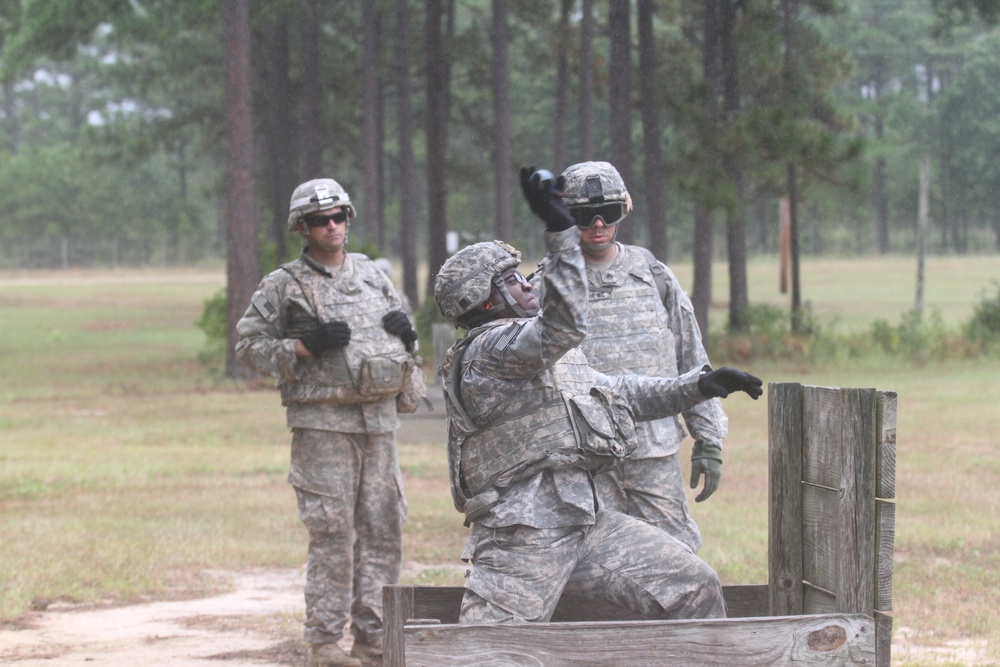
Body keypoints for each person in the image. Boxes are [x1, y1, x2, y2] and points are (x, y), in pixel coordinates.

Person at [433, 168, 763, 624]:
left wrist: (699, 386)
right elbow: (566, 325)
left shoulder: (540, 350)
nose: (527, 284)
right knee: (491, 649)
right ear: (483, 300)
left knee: (694, 585)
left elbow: (620, 392)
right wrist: (561, 233)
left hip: (586, 522)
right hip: (524, 535)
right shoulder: (487, 353)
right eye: (510, 280)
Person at [235, 178, 425, 667]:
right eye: (321, 220)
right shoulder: (284, 285)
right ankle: (323, 642)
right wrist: (303, 346)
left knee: (384, 529)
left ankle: (374, 636)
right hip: (323, 426)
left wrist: (410, 337)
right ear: (302, 227)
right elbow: (248, 348)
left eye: (339, 216)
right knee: (333, 533)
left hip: (378, 424)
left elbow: (401, 341)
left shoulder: (372, 276)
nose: (333, 226)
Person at [530, 161, 725, 553]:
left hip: (652, 447)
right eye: (584, 216)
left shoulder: (651, 273)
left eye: (609, 214)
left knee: (674, 552)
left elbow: (690, 355)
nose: (598, 225)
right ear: (568, 216)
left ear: (625, 211)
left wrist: (708, 437)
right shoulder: (549, 283)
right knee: (593, 555)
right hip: (582, 452)